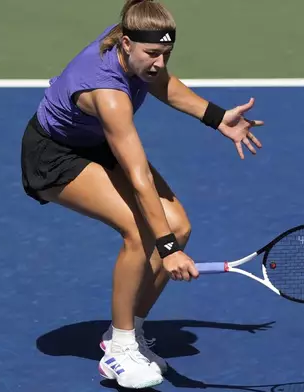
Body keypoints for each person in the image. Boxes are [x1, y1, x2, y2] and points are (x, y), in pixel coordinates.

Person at [20, 0, 264, 388]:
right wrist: (167, 252)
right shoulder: (108, 94)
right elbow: (139, 179)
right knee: (140, 230)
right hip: (55, 157)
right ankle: (117, 351)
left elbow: (164, 84)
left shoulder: (131, 46)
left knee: (178, 226)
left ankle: (129, 333)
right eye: (152, 53)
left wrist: (218, 118)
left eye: (166, 53)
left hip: (95, 141)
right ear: (127, 44)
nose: (158, 62)